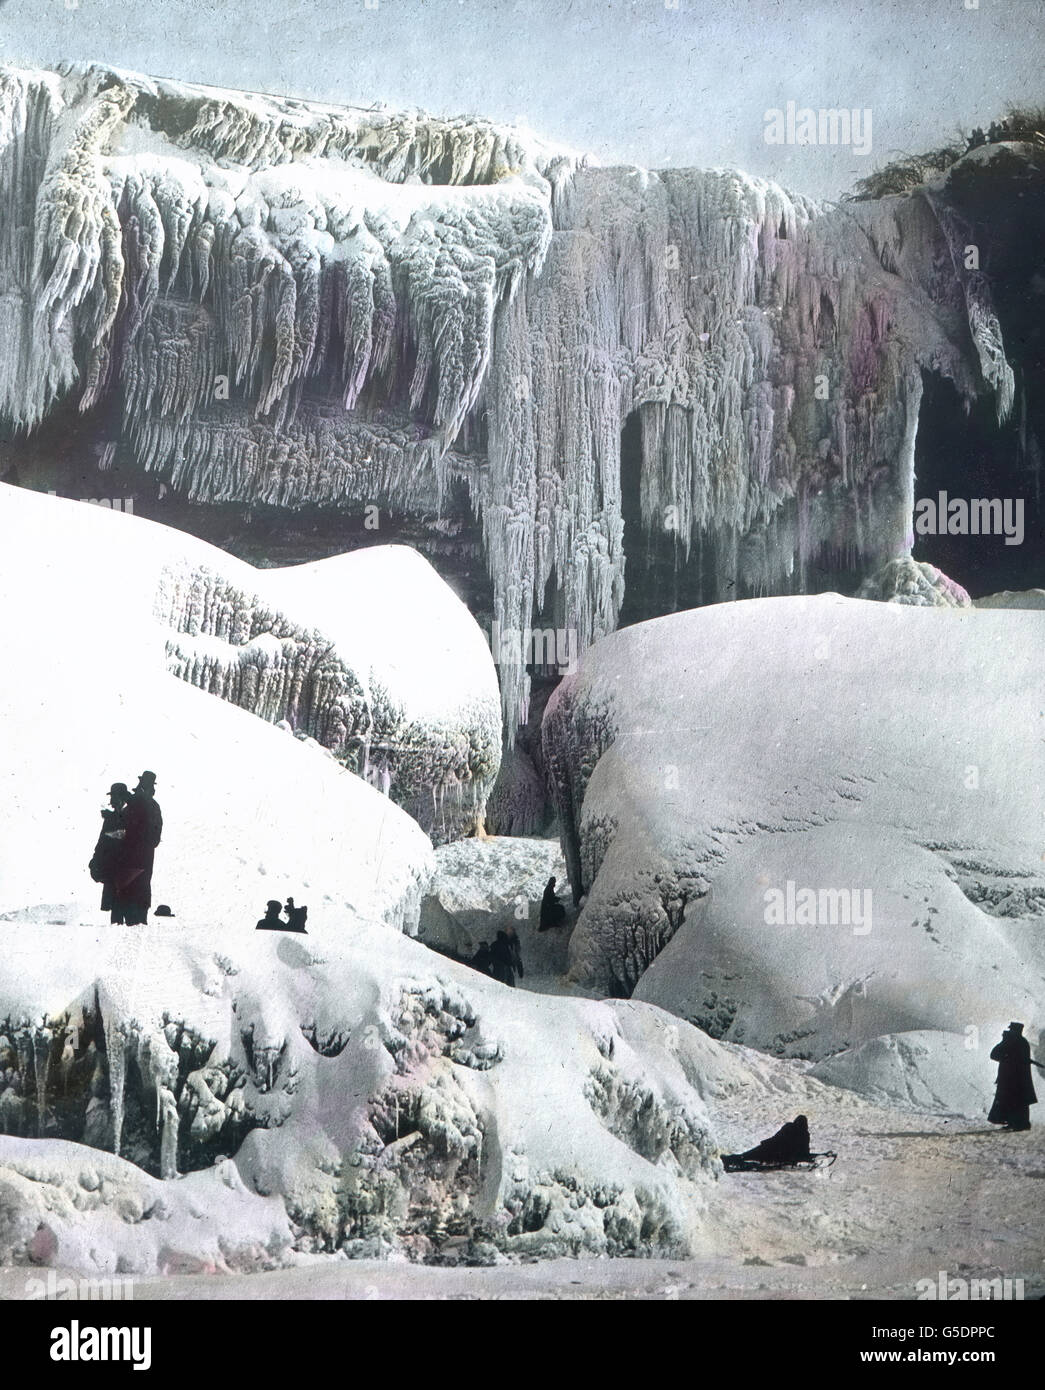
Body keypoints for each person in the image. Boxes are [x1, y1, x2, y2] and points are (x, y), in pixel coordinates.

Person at [117, 771, 163, 925]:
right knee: (139, 892)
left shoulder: (142, 805)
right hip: (143, 858)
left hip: (132, 859)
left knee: (132, 893)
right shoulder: (153, 806)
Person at [89, 782, 130, 924]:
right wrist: (95, 859)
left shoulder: (128, 815)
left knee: (124, 906)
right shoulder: (112, 817)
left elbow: (124, 836)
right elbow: (102, 841)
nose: (112, 801)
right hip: (114, 868)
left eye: (114, 797)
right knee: (116, 908)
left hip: (125, 868)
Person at [987, 1023, 1040, 1132]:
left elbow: (994, 1054)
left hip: (1009, 1079)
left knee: (1010, 1100)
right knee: (1019, 1102)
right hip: (1020, 1080)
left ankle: (1015, 1123)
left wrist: (1004, 1040)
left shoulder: (1011, 1042)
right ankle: (1019, 1123)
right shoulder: (1023, 1042)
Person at [722, 1115, 813, 1168]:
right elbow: (803, 1153)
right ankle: (729, 1160)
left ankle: (729, 1160)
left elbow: (778, 1139)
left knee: (747, 1155)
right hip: (772, 1150)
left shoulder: (796, 1130)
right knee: (748, 1155)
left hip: (771, 1149)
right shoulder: (799, 1132)